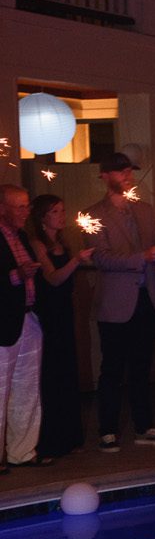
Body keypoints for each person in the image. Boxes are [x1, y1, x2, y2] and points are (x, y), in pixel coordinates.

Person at [88, 152, 155, 452]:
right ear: (105, 176)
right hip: (116, 304)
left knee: (143, 367)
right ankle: (107, 430)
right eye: (120, 172)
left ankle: (144, 426)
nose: (127, 176)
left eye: (129, 171)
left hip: (147, 299)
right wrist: (140, 258)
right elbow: (100, 258)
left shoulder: (144, 210)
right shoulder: (93, 214)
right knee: (113, 368)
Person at [27, 194, 94, 461]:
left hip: (65, 312)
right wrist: (77, 261)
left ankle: (70, 437)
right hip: (48, 314)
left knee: (67, 371)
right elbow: (53, 279)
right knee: (51, 376)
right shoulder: (36, 244)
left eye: (62, 210)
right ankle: (50, 442)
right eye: (55, 211)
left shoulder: (62, 241)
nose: (61, 215)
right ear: (43, 217)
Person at [0, 185, 43, 471]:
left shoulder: (22, 236)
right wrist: (18, 274)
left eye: (27, 206)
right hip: (3, 321)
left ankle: (22, 452)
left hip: (27, 318)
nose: (26, 212)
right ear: (2, 208)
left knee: (27, 388)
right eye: (20, 207)